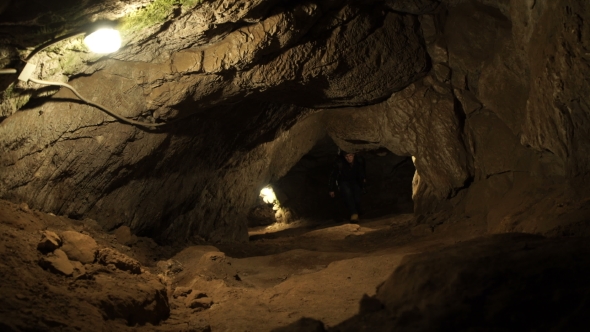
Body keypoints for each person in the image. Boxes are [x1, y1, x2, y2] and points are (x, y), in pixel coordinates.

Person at [328, 150, 366, 221]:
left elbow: (362, 170)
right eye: (347, 156)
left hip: (355, 181)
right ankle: (353, 213)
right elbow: (333, 176)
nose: (349, 158)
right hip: (344, 181)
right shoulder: (339, 163)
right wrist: (331, 189)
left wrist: (363, 178)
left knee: (357, 197)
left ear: (354, 155)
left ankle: (358, 211)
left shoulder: (359, 160)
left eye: (350, 156)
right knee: (348, 194)